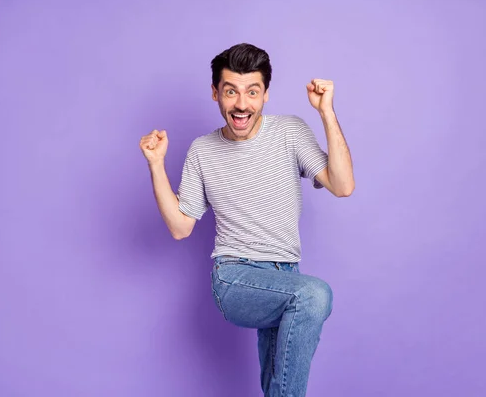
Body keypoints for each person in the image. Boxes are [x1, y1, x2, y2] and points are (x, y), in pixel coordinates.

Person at [139, 43, 355, 397]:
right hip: (235, 277)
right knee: (315, 296)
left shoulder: (290, 132)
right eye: (231, 92)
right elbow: (180, 227)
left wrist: (326, 112)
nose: (242, 104)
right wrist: (156, 164)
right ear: (215, 93)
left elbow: (343, 185)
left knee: (277, 378)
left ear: (265, 95)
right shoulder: (202, 150)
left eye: (252, 92)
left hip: (286, 277)